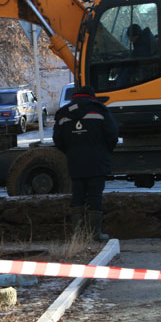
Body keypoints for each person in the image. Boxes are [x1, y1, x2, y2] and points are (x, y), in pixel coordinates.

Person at [53, 85, 119, 241]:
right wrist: (104, 150)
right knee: (95, 196)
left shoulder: (63, 113)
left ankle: (78, 235)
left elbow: (58, 140)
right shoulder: (100, 110)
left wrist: (71, 152)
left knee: (77, 196)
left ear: (74, 97)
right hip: (97, 161)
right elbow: (112, 135)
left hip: (75, 161)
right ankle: (95, 234)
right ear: (92, 96)